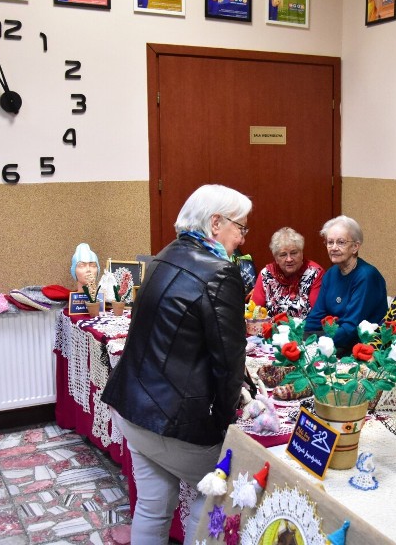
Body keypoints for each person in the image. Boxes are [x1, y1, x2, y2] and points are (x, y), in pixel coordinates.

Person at [101, 184, 252, 545]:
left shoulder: (166, 253)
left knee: (152, 508)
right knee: (219, 488)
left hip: (133, 405)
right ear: (216, 223)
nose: (243, 238)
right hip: (171, 418)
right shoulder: (220, 271)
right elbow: (228, 361)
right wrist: (221, 427)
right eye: (240, 227)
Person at [304, 215, 387, 355]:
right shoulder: (330, 274)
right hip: (335, 340)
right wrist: (295, 332)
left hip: (360, 347)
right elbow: (317, 316)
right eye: (330, 242)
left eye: (341, 242)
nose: (334, 247)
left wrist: (316, 341)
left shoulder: (366, 276)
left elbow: (351, 329)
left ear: (355, 247)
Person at [251, 227, 324, 318]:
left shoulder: (314, 273)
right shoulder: (266, 275)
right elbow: (254, 312)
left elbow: (317, 314)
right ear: (276, 258)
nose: (289, 259)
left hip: (305, 330)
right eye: (283, 255)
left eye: (294, 253)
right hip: (271, 330)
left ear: (301, 254)